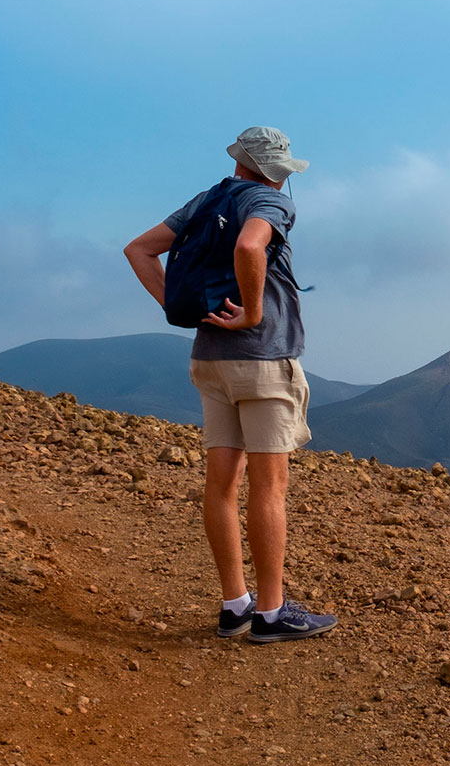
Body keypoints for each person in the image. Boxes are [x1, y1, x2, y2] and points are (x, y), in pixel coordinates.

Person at [123, 126, 338, 644]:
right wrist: (254, 314)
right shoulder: (269, 202)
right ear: (276, 169)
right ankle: (270, 613)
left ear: (239, 160)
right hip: (262, 362)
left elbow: (138, 250)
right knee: (270, 487)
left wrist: (183, 310)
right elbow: (249, 244)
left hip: (210, 361)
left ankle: (234, 604)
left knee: (221, 485)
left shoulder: (206, 201)